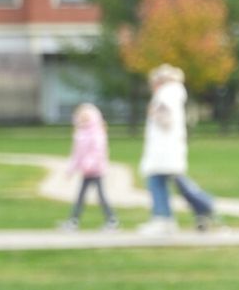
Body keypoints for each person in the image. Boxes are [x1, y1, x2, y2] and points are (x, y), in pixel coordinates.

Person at [137, 64, 223, 234]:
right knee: (177, 182)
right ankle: (204, 205)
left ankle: (164, 218)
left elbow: (165, 120)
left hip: (163, 150)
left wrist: (154, 113)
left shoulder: (165, 94)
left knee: (157, 181)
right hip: (168, 149)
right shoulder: (173, 93)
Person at [59, 102, 118, 231]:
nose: (83, 120)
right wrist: (71, 170)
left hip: (96, 171)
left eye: (86, 118)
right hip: (86, 172)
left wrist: (89, 164)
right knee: (81, 196)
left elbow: (98, 151)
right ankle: (74, 220)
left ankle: (111, 220)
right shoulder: (80, 134)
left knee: (100, 196)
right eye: (81, 117)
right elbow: (76, 154)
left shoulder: (97, 133)